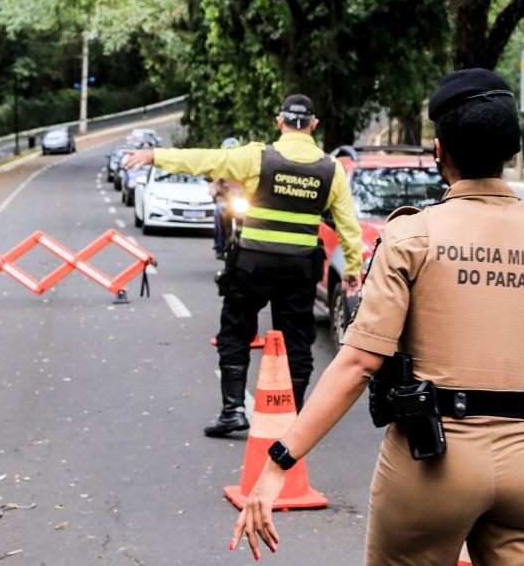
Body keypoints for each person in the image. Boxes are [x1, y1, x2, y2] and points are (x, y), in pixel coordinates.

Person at [229, 69, 524, 564]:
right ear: (512, 152)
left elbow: (357, 365)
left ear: (440, 151)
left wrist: (278, 462)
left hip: (431, 464)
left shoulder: (412, 237)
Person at [123, 94, 363, 436]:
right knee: (297, 341)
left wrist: (155, 155)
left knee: (235, 331)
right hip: (298, 270)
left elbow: (206, 159)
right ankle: (292, 421)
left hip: (253, 265)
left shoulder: (257, 157)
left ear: (279, 122)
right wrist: (352, 268)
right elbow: (348, 225)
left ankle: (233, 410)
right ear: (313, 125)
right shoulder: (331, 170)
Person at [210, 137, 244, 259]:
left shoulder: (245, 167)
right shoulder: (220, 168)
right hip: (225, 202)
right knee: (218, 212)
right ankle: (219, 245)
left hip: (242, 202)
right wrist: (214, 191)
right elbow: (213, 184)